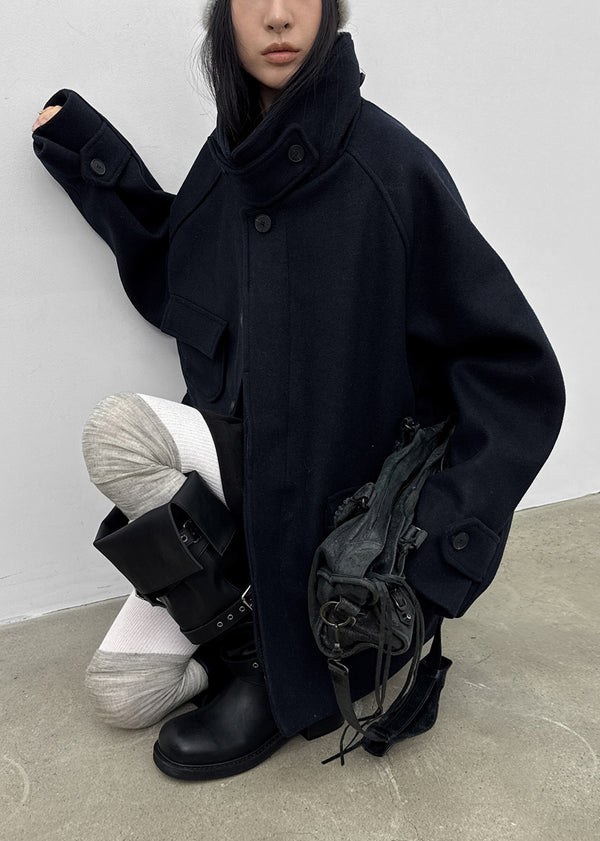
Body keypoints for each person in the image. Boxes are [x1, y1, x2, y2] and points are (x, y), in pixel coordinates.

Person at [31, 0, 565, 781]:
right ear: (222, 17)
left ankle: (271, 659)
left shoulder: (390, 168)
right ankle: (243, 625)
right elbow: (173, 272)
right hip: (246, 479)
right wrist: (88, 153)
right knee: (120, 695)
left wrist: (435, 561)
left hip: (334, 526)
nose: (279, 16)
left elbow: (515, 375)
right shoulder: (227, 161)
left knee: (119, 431)